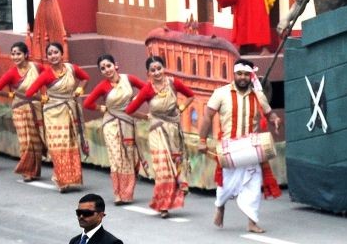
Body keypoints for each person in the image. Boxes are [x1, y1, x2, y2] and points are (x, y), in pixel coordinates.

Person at [197, 59, 282, 233]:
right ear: (234, 74)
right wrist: (202, 140)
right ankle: (220, 206)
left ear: (251, 76)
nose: (243, 78)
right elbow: (207, 117)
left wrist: (275, 120)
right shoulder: (221, 93)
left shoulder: (258, 95)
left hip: (251, 148)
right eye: (239, 74)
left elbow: (269, 113)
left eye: (246, 74)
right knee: (226, 185)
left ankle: (252, 222)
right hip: (230, 148)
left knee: (254, 182)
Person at [125, 55, 196, 217]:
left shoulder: (173, 83)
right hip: (157, 131)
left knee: (175, 165)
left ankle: (175, 195)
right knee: (163, 168)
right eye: (153, 70)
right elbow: (129, 110)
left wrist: (182, 108)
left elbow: (191, 95)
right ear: (148, 73)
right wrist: (146, 117)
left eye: (159, 68)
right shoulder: (147, 89)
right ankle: (163, 205)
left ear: (164, 68)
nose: (157, 73)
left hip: (173, 130)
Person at [25, 41, 90, 193]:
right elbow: (29, 93)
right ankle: (61, 179)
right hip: (53, 113)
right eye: (50, 54)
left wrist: (80, 89)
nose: (53, 56)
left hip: (69, 109)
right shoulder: (46, 74)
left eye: (56, 52)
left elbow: (85, 77)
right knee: (57, 145)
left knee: (70, 144)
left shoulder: (72, 69)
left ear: (62, 54)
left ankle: (72, 178)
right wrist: (42, 98)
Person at [83, 54, 146, 205]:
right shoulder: (102, 86)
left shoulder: (129, 79)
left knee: (128, 157)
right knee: (116, 157)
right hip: (110, 123)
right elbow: (87, 103)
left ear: (115, 65)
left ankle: (127, 193)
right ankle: (118, 194)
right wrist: (101, 107)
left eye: (108, 66)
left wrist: (136, 100)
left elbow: (147, 89)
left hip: (128, 122)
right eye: (103, 68)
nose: (107, 70)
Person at [0, 41, 44, 182]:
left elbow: (48, 76)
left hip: (35, 107)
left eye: (18, 54)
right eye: (13, 54)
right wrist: (11, 95)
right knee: (25, 141)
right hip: (20, 108)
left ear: (26, 54)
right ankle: (26, 170)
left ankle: (35, 170)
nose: (15, 57)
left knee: (36, 140)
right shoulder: (11, 73)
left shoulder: (36, 67)